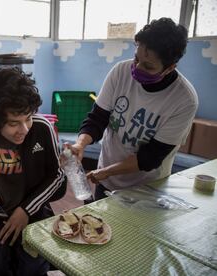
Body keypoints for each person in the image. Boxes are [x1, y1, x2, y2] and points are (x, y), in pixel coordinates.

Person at [67, 17, 198, 202]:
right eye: (136, 58)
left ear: (169, 68)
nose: (136, 68)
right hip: (107, 180)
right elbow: (97, 119)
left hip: (148, 188)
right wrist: (80, 144)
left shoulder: (184, 100)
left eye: (148, 66)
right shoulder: (120, 72)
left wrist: (105, 172)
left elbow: (150, 158)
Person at [0, 66, 67, 276]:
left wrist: (25, 210)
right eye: (13, 123)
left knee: (33, 268)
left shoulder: (42, 128)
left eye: (28, 118)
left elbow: (57, 176)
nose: (24, 129)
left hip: (34, 209)